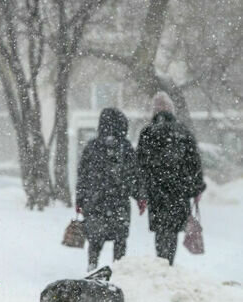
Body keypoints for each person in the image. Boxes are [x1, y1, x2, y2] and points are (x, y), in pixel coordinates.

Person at [136, 91, 205, 265]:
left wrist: (141, 192)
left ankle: (162, 261)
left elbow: (140, 166)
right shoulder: (183, 132)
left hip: (156, 193)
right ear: (172, 110)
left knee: (161, 231)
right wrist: (197, 189)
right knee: (172, 231)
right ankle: (168, 262)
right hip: (178, 193)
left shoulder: (147, 133)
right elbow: (194, 163)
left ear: (154, 111)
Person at [75, 108, 140, 271]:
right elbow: (134, 175)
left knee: (95, 240)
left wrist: (80, 199)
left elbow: (83, 175)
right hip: (119, 202)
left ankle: (92, 266)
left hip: (95, 202)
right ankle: (118, 269)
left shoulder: (92, 147)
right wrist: (139, 196)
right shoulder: (125, 147)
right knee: (120, 240)